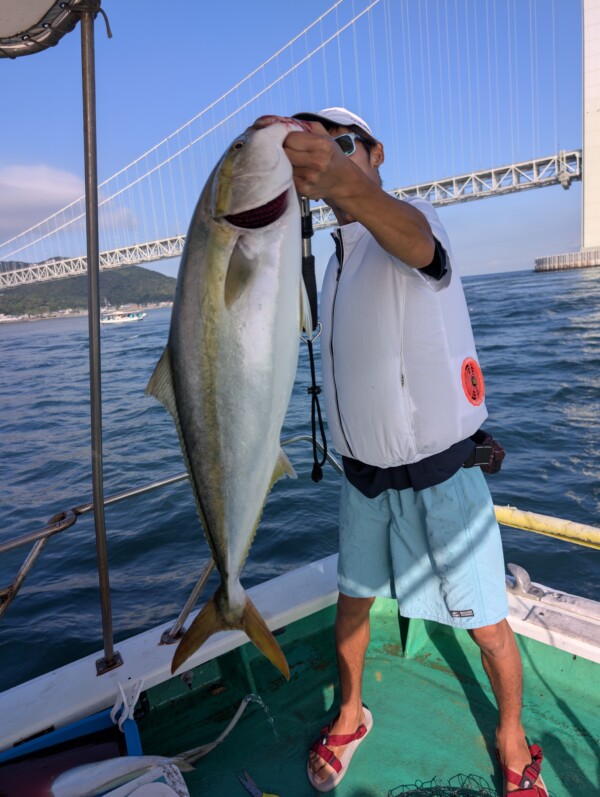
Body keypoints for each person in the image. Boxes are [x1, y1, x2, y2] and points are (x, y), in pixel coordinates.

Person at [270, 107, 549, 796]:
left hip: (442, 478)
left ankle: (512, 738)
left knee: (488, 628)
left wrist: (340, 181)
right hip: (362, 481)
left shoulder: (412, 221)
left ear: (375, 152)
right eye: (309, 147)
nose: (325, 155)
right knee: (352, 607)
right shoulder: (332, 266)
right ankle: (350, 711)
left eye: (340, 143)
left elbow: (417, 243)